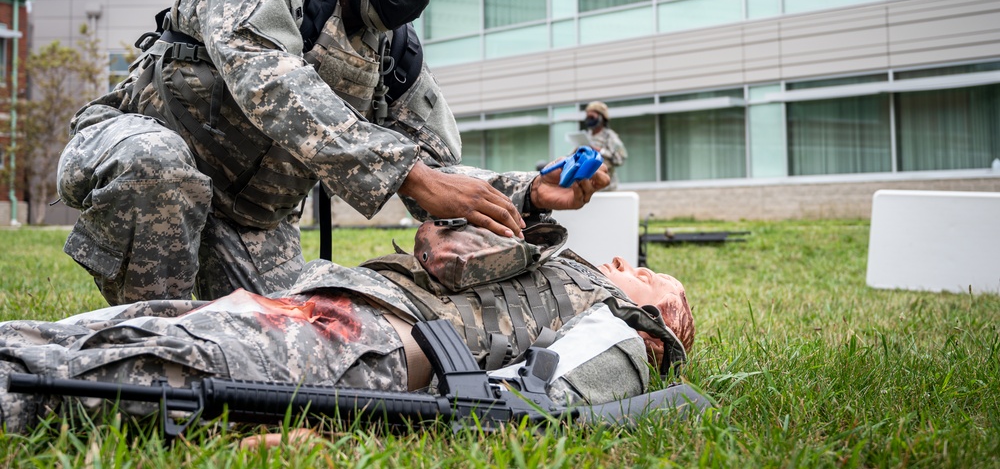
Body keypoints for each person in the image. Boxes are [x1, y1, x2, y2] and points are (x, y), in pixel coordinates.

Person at [55, 0, 609, 306]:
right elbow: (273, 85)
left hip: (252, 218)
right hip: (139, 152)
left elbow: (436, 172)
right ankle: (141, 343)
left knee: (287, 344)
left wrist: (526, 191)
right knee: (159, 164)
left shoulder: (394, 51)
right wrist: (408, 175)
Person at [0, 221, 694, 435]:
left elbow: (545, 399)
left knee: (122, 367)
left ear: (664, 316)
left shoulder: (617, 325)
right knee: (116, 326)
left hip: (365, 341)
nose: (617, 261)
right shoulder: (567, 273)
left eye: (645, 270)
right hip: (330, 307)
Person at [583, 101, 628, 190]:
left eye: (592, 116)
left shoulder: (609, 136)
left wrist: (600, 151)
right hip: (590, 188)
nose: (589, 119)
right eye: (587, 116)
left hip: (608, 188)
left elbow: (620, 158)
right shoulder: (586, 136)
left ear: (601, 117)